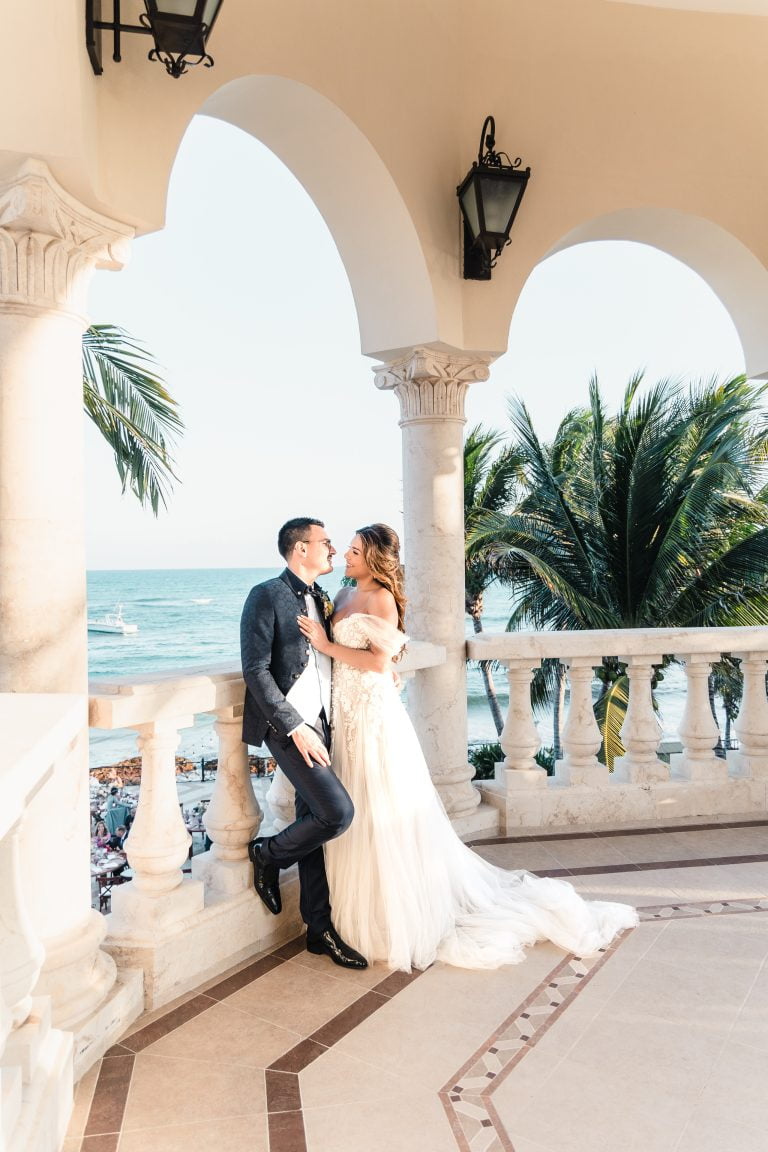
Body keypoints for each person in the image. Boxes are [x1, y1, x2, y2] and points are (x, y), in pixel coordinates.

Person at [298, 523, 639, 973]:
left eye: (357, 551)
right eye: (349, 550)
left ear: (376, 558)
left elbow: (379, 660)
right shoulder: (340, 596)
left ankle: (390, 918)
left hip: (374, 718)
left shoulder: (381, 598)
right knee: (357, 805)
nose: (348, 555)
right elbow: (366, 659)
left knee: (380, 805)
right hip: (345, 713)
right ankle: (351, 913)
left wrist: (327, 644)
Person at [240, 517, 368, 970]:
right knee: (337, 813)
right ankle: (266, 854)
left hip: (326, 725)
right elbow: (255, 669)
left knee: (314, 820)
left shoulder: (324, 597)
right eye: (325, 543)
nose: (333, 550)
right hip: (288, 728)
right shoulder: (265, 595)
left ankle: (319, 930)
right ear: (299, 550)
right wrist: (295, 726)